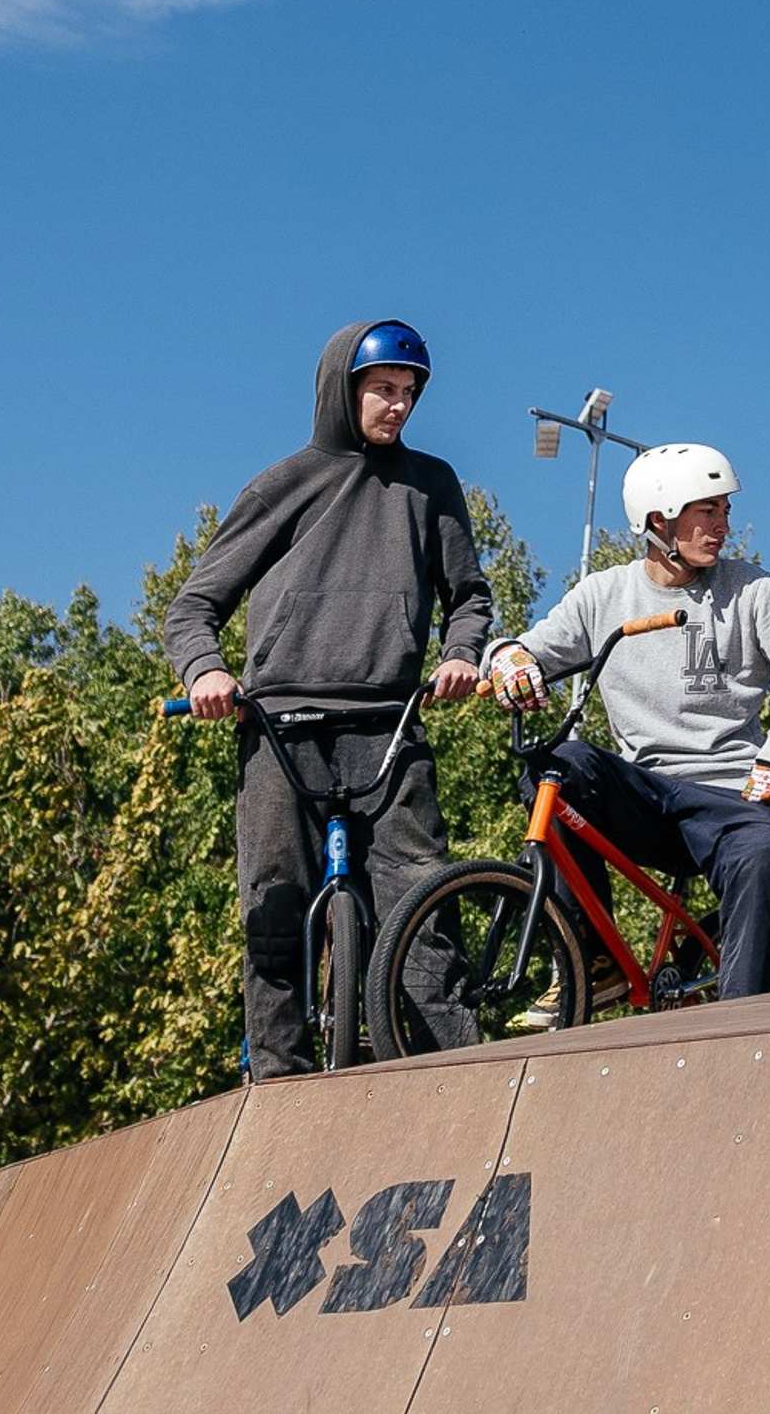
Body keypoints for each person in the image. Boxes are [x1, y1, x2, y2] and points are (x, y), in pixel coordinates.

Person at [161, 319, 492, 1075]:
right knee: (276, 908)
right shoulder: (284, 484)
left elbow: (468, 597)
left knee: (422, 906)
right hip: (282, 723)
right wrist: (206, 672)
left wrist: (460, 656)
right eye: (383, 390)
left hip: (388, 719)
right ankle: (279, 1084)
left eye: (409, 394)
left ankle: (453, 1078)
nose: (398, 406)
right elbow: (193, 607)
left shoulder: (430, 484)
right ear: (344, 389)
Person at [484, 441, 770, 1003]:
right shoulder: (604, 595)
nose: (724, 524)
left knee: (767, 854)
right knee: (558, 769)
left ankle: (743, 1029)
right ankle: (592, 959)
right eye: (708, 511)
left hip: (731, 795)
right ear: (659, 519)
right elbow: (524, 650)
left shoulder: (750, 590)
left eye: (725, 509)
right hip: (645, 796)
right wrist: (508, 661)